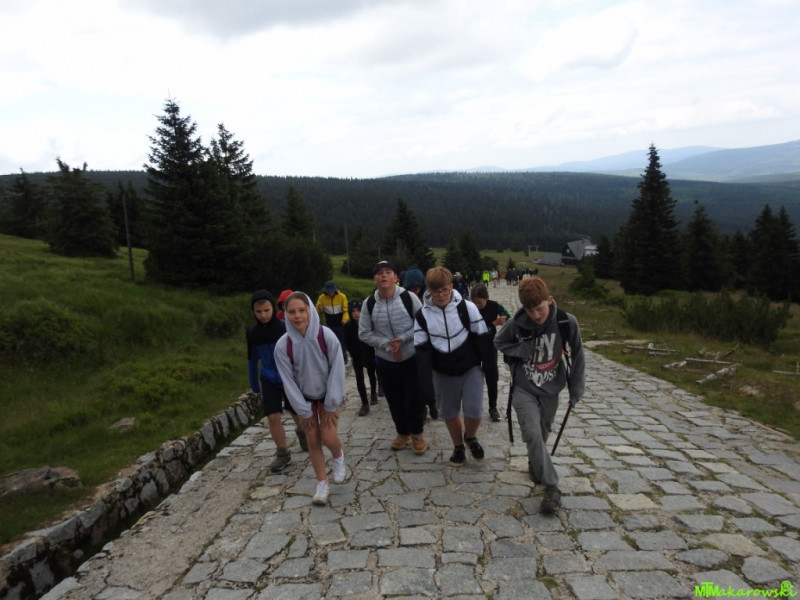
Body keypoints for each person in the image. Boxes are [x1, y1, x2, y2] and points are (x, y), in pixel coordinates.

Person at [494, 276, 585, 514]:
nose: (535, 315)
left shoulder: (566, 321)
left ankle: (535, 463)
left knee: (542, 433)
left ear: (550, 300)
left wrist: (576, 389)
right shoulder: (516, 323)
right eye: (530, 310)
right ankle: (552, 486)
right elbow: (499, 342)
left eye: (540, 308)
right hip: (524, 388)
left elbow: (578, 353)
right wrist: (521, 349)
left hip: (551, 389)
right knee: (532, 432)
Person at [275, 292, 347, 506]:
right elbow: (288, 380)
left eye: (302, 310)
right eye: (292, 312)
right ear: (285, 314)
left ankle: (338, 456)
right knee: (313, 440)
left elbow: (337, 367)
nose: (297, 316)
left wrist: (331, 403)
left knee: (329, 438)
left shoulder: (326, 335)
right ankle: (322, 483)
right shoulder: (283, 346)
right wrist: (302, 410)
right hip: (305, 399)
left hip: (327, 396)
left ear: (310, 311)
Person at [415, 267, 492, 465]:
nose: (441, 295)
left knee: (474, 410)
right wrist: (425, 383)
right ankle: (458, 447)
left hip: (470, 367)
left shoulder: (468, 308)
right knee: (449, 413)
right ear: (429, 289)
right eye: (436, 291)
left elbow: (482, 338)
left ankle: (470, 437)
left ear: (451, 286)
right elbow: (422, 351)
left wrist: (489, 368)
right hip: (442, 371)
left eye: (444, 290)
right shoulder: (422, 316)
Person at [359, 260, 427, 454]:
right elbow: (363, 333)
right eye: (379, 273)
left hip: (411, 357)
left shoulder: (409, 298)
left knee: (414, 398)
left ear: (396, 277)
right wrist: (387, 344)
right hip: (385, 361)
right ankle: (402, 433)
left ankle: (417, 433)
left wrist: (403, 339)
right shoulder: (369, 303)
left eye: (388, 272)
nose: (384, 275)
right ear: (374, 279)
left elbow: (423, 324)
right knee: (394, 399)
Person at [246, 290, 305, 472]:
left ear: (273, 308)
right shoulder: (252, 332)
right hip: (268, 377)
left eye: (266, 310)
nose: (263, 315)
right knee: (272, 415)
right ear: (253, 312)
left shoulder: (285, 327)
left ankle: (302, 431)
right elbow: (252, 359)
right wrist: (254, 384)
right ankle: (282, 452)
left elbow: (298, 351)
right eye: (258, 312)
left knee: (296, 411)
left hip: (288, 376)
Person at [469, 283, 511, 423]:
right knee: (472, 377)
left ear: (486, 298)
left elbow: (509, 318)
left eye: (480, 302)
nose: (477, 305)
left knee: (492, 377)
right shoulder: (469, 308)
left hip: (489, 345)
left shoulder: (495, 306)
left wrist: (504, 321)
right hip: (473, 346)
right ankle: (472, 405)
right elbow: (473, 328)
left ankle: (493, 407)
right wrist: (493, 324)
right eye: (474, 302)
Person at [402, 266, 438, 420]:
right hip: (411, 343)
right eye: (412, 287)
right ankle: (422, 407)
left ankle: (432, 404)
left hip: (428, 343)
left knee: (429, 377)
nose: (415, 289)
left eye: (417, 286)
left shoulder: (429, 297)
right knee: (417, 379)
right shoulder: (404, 299)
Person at [344, 299, 378, 416]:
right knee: (359, 378)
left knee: (371, 374)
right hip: (356, 356)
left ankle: (373, 393)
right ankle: (364, 403)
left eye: (358, 311)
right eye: (353, 311)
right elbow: (347, 343)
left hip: (369, 354)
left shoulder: (369, 324)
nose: (356, 313)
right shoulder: (347, 327)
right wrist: (354, 354)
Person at [315, 280, 349, 364]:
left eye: (332, 291)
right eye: (329, 291)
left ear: (335, 290)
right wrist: (320, 308)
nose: (330, 293)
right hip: (329, 322)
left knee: (341, 340)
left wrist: (344, 319)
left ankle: (344, 356)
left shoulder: (342, 296)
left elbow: (346, 310)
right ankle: (332, 357)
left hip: (340, 322)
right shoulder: (322, 297)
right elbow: (317, 310)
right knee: (330, 340)